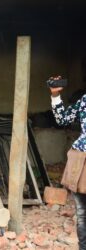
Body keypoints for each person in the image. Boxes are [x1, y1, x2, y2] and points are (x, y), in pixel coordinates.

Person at [49, 76, 86, 250]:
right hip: (81, 159)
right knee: (83, 212)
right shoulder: (85, 100)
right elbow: (63, 119)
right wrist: (55, 94)